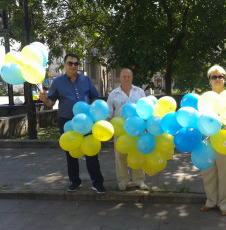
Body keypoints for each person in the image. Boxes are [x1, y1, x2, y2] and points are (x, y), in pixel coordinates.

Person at [39, 53, 106, 194]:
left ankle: (97, 183)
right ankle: (75, 182)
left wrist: (97, 115)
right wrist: (44, 100)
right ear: (64, 64)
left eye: (76, 63)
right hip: (67, 122)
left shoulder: (86, 80)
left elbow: (95, 98)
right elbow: (51, 103)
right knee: (71, 153)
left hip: (87, 122)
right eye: (70, 63)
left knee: (91, 152)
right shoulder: (57, 82)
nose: (73, 66)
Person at [200, 65, 226, 216]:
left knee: (225, 172)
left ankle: (224, 204)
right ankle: (211, 201)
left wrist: (223, 131)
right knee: (208, 171)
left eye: (221, 76)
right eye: (214, 77)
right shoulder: (204, 97)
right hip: (207, 139)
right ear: (209, 80)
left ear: (225, 79)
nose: (218, 79)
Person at [107, 68, 149, 191]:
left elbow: (146, 110)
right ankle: (122, 181)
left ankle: (139, 180)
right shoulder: (114, 94)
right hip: (120, 130)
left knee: (137, 154)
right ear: (120, 78)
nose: (126, 79)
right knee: (120, 156)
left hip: (137, 129)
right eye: (124, 76)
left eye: (129, 77)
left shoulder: (140, 92)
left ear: (132, 78)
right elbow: (109, 113)